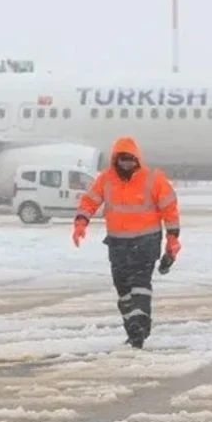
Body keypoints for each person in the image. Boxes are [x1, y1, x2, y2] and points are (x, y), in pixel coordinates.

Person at [71, 136, 181, 349]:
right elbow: (90, 201)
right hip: (118, 243)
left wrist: (172, 240)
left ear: (137, 160)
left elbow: (170, 211)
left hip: (146, 242)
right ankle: (134, 325)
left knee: (140, 285)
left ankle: (139, 324)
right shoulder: (106, 179)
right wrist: (81, 223)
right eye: (123, 160)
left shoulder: (153, 180)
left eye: (130, 160)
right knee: (123, 288)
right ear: (116, 160)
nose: (127, 165)